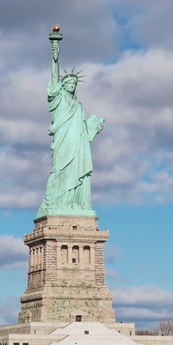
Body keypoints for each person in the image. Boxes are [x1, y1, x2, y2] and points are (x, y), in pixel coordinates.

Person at [37, 27, 105, 217]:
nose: (72, 85)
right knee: (59, 170)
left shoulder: (78, 106)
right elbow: (53, 76)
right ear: (62, 85)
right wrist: (55, 54)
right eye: (68, 83)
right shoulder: (58, 99)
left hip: (78, 145)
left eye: (74, 84)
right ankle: (56, 203)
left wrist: (93, 128)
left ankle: (76, 203)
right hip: (63, 141)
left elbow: (84, 131)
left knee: (77, 171)